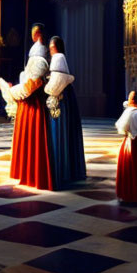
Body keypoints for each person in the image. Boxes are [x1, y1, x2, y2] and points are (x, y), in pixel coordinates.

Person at [0, 54, 54, 190]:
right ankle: (26, 172)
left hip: (32, 110)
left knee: (33, 139)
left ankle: (33, 175)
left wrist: (8, 89)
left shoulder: (36, 80)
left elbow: (26, 90)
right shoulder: (35, 79)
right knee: (27, 140)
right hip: (28, 109)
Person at [45, 36, 86, 186]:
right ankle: (68, 169)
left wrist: (45, 89)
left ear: (56, 47)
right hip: (65, 98)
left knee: (60, 131)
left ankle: (61, 170)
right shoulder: (60, 58)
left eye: (51, 46)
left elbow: (56, 83)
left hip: (59, 99)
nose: (50, 50)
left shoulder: (58, 57)